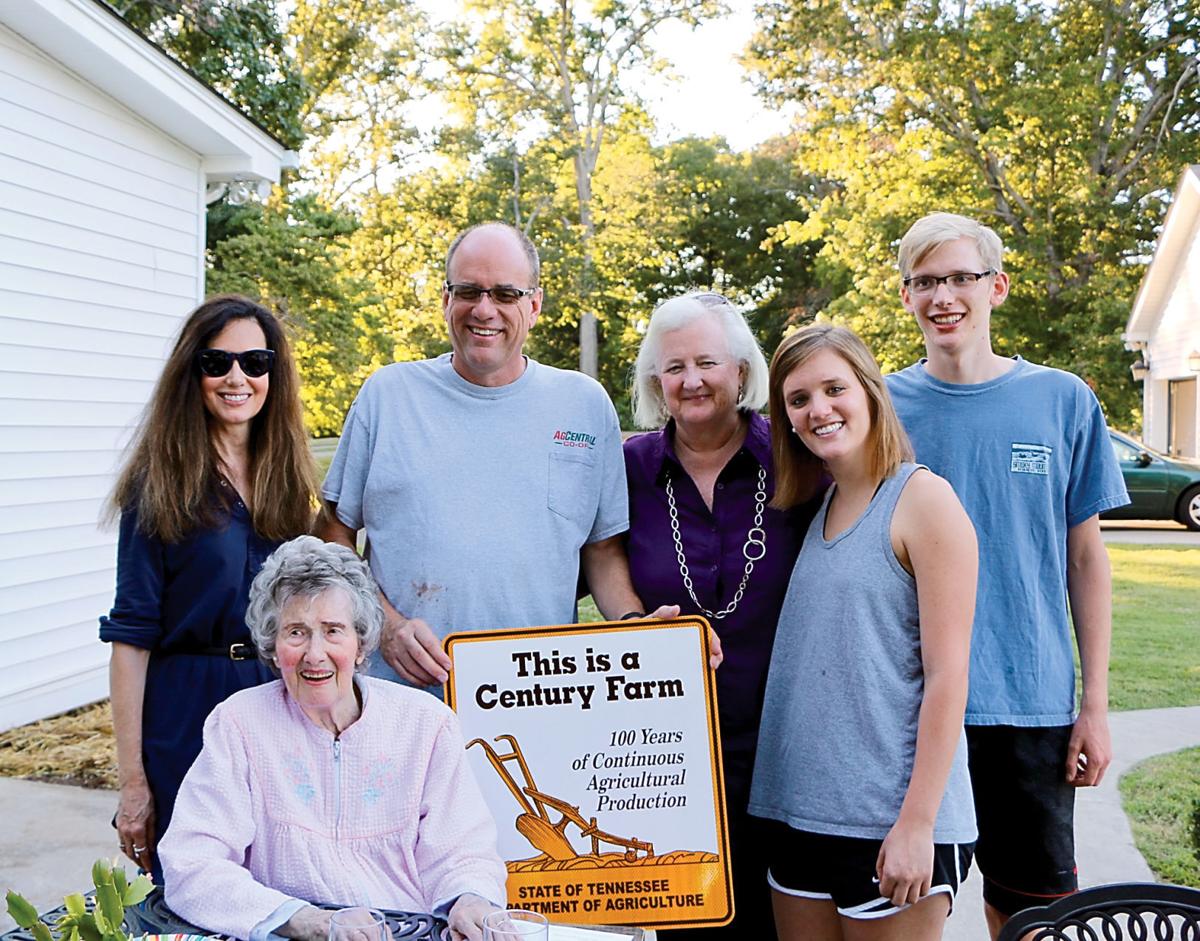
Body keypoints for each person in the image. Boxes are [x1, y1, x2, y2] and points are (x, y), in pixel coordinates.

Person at [885, 212, 1130, 938]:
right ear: (906, 296)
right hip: (908, 706)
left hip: (1030, 703)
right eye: (925, 281)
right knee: (904, 908)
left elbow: (1085, 558)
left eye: (960, 277)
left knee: (1029, 919)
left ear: (997, 286)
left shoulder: (1063, 399)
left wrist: (1095, 705)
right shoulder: (880, 407)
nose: (943, 296)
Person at [317, 222, 684, 689]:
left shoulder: (585, 405)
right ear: (446, 299)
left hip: (536, 697)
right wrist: (384, 624)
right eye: (468, 291)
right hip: (403, 696)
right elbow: (333, 533)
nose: (484, 309)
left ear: (534, 305)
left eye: (506, 294)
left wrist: (633, 626)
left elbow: (602, 550)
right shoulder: (388, 396)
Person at [750, 324, 978, 941]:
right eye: (798, 399)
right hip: (799, 813)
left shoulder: (923, 500)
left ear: (870, 391)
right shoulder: (816, 508)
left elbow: (949, 676)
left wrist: (918, 824)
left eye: (834, 389)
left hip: (890, 822)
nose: (818, 409)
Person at [159, 536, 506, 941]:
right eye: (296, 632)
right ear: (273, 647)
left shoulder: (426, 723)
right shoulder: (239, 723)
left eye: (333, 631)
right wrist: (305, 920)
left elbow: (463, 850)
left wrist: (470, 898)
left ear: (361, 643)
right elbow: (192, 864)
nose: (314, 653)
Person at [100, 295, 318, 881]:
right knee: (194, 886)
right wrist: (133, 783)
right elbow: (131, 639)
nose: (236, 378)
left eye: (255, 362)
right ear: (191, 373)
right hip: (186, 712)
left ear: (274, 372)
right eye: (216, 362)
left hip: (276, 702)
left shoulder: (287, 480)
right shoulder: (159, 486)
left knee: (281, 882)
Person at [624, 292, 813, 940]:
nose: (692, 380)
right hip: (667, 759)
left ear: (741, 370)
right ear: (656, 382)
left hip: (785, 749)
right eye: (674, 367)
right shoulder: (630, 469)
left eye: (707, 362)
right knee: (690, 926)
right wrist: (633, 623)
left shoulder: (797, 457)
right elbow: (597, 554)